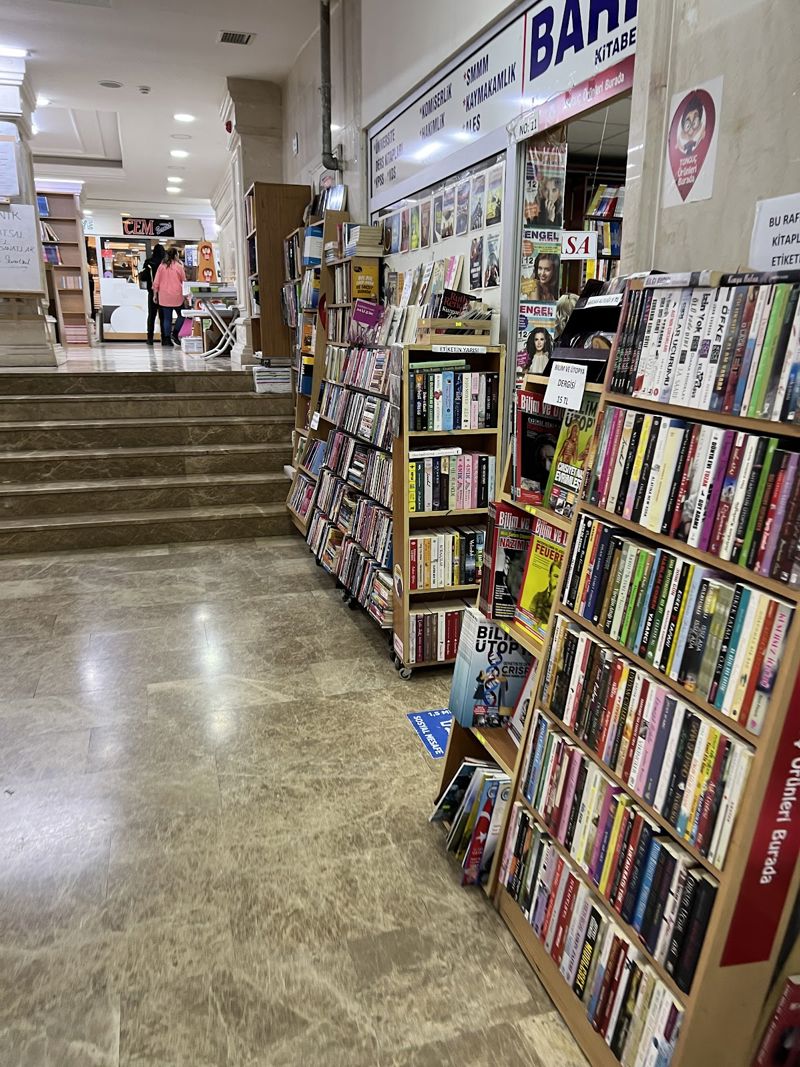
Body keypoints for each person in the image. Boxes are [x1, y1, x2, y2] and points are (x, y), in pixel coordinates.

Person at [152, 245, 186, 347]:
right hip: (177, 295)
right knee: (182, 315)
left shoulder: (161, 266)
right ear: (175, 255)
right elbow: (184, 281)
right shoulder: (179, 267)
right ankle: (175, 333)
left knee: (167, 319)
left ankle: (167, 339)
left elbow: (156, 282)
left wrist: (155, 294)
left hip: (164, 296)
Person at [139, 242, 165, 346]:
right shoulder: (164, 263)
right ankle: (164, 338)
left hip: (151, 292)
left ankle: (150, 338)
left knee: (151, 316)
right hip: (163, 293)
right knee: (163, 317)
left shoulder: (149, 262)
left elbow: (143, 277)